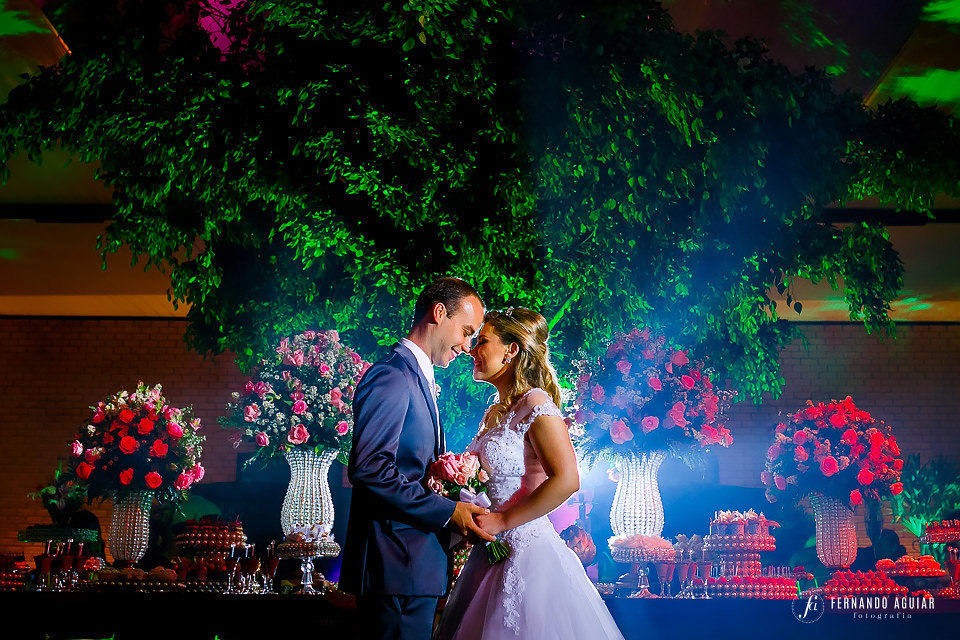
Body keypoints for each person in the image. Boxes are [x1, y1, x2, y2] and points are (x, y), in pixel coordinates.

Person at [434, 308, 624, 640]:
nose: (472, 351)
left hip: (527, 554)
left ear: (511, 349)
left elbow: (567, 479)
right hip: (489, 553)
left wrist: (503, 521)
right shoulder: (494, 411)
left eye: (482, 341)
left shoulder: (536, 404)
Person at [341, 277, 495, 640]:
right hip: (394, 566)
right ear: (439, 313)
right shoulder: (393, 375)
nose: (468, 346)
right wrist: (447, 511)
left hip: (410, 568)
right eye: (466, 332)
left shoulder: (416, 377)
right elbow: (370, 468)